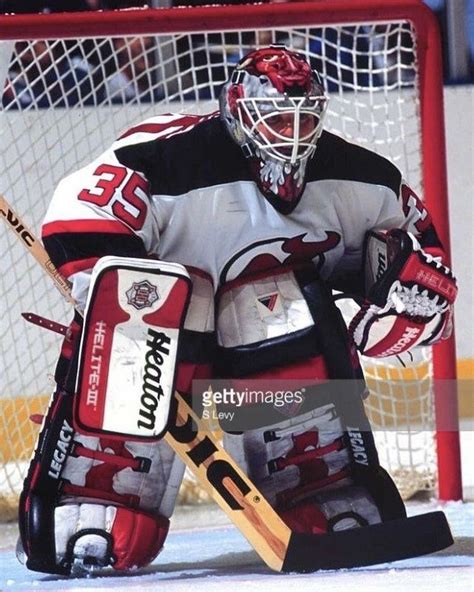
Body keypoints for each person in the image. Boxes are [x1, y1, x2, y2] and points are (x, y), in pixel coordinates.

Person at [18, 46, 457, 575]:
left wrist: (403, 307)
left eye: (301, 116)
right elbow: (77, 220)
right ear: (236, 111)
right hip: (168, 339)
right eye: (274, 116)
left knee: (277, 301)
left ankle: (315, 481)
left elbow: (421, 265)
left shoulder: (360, 178)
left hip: (268, 349)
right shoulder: (170, 160)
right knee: (162, 299)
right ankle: (104, 490)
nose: (289, 131)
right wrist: (119, 304)